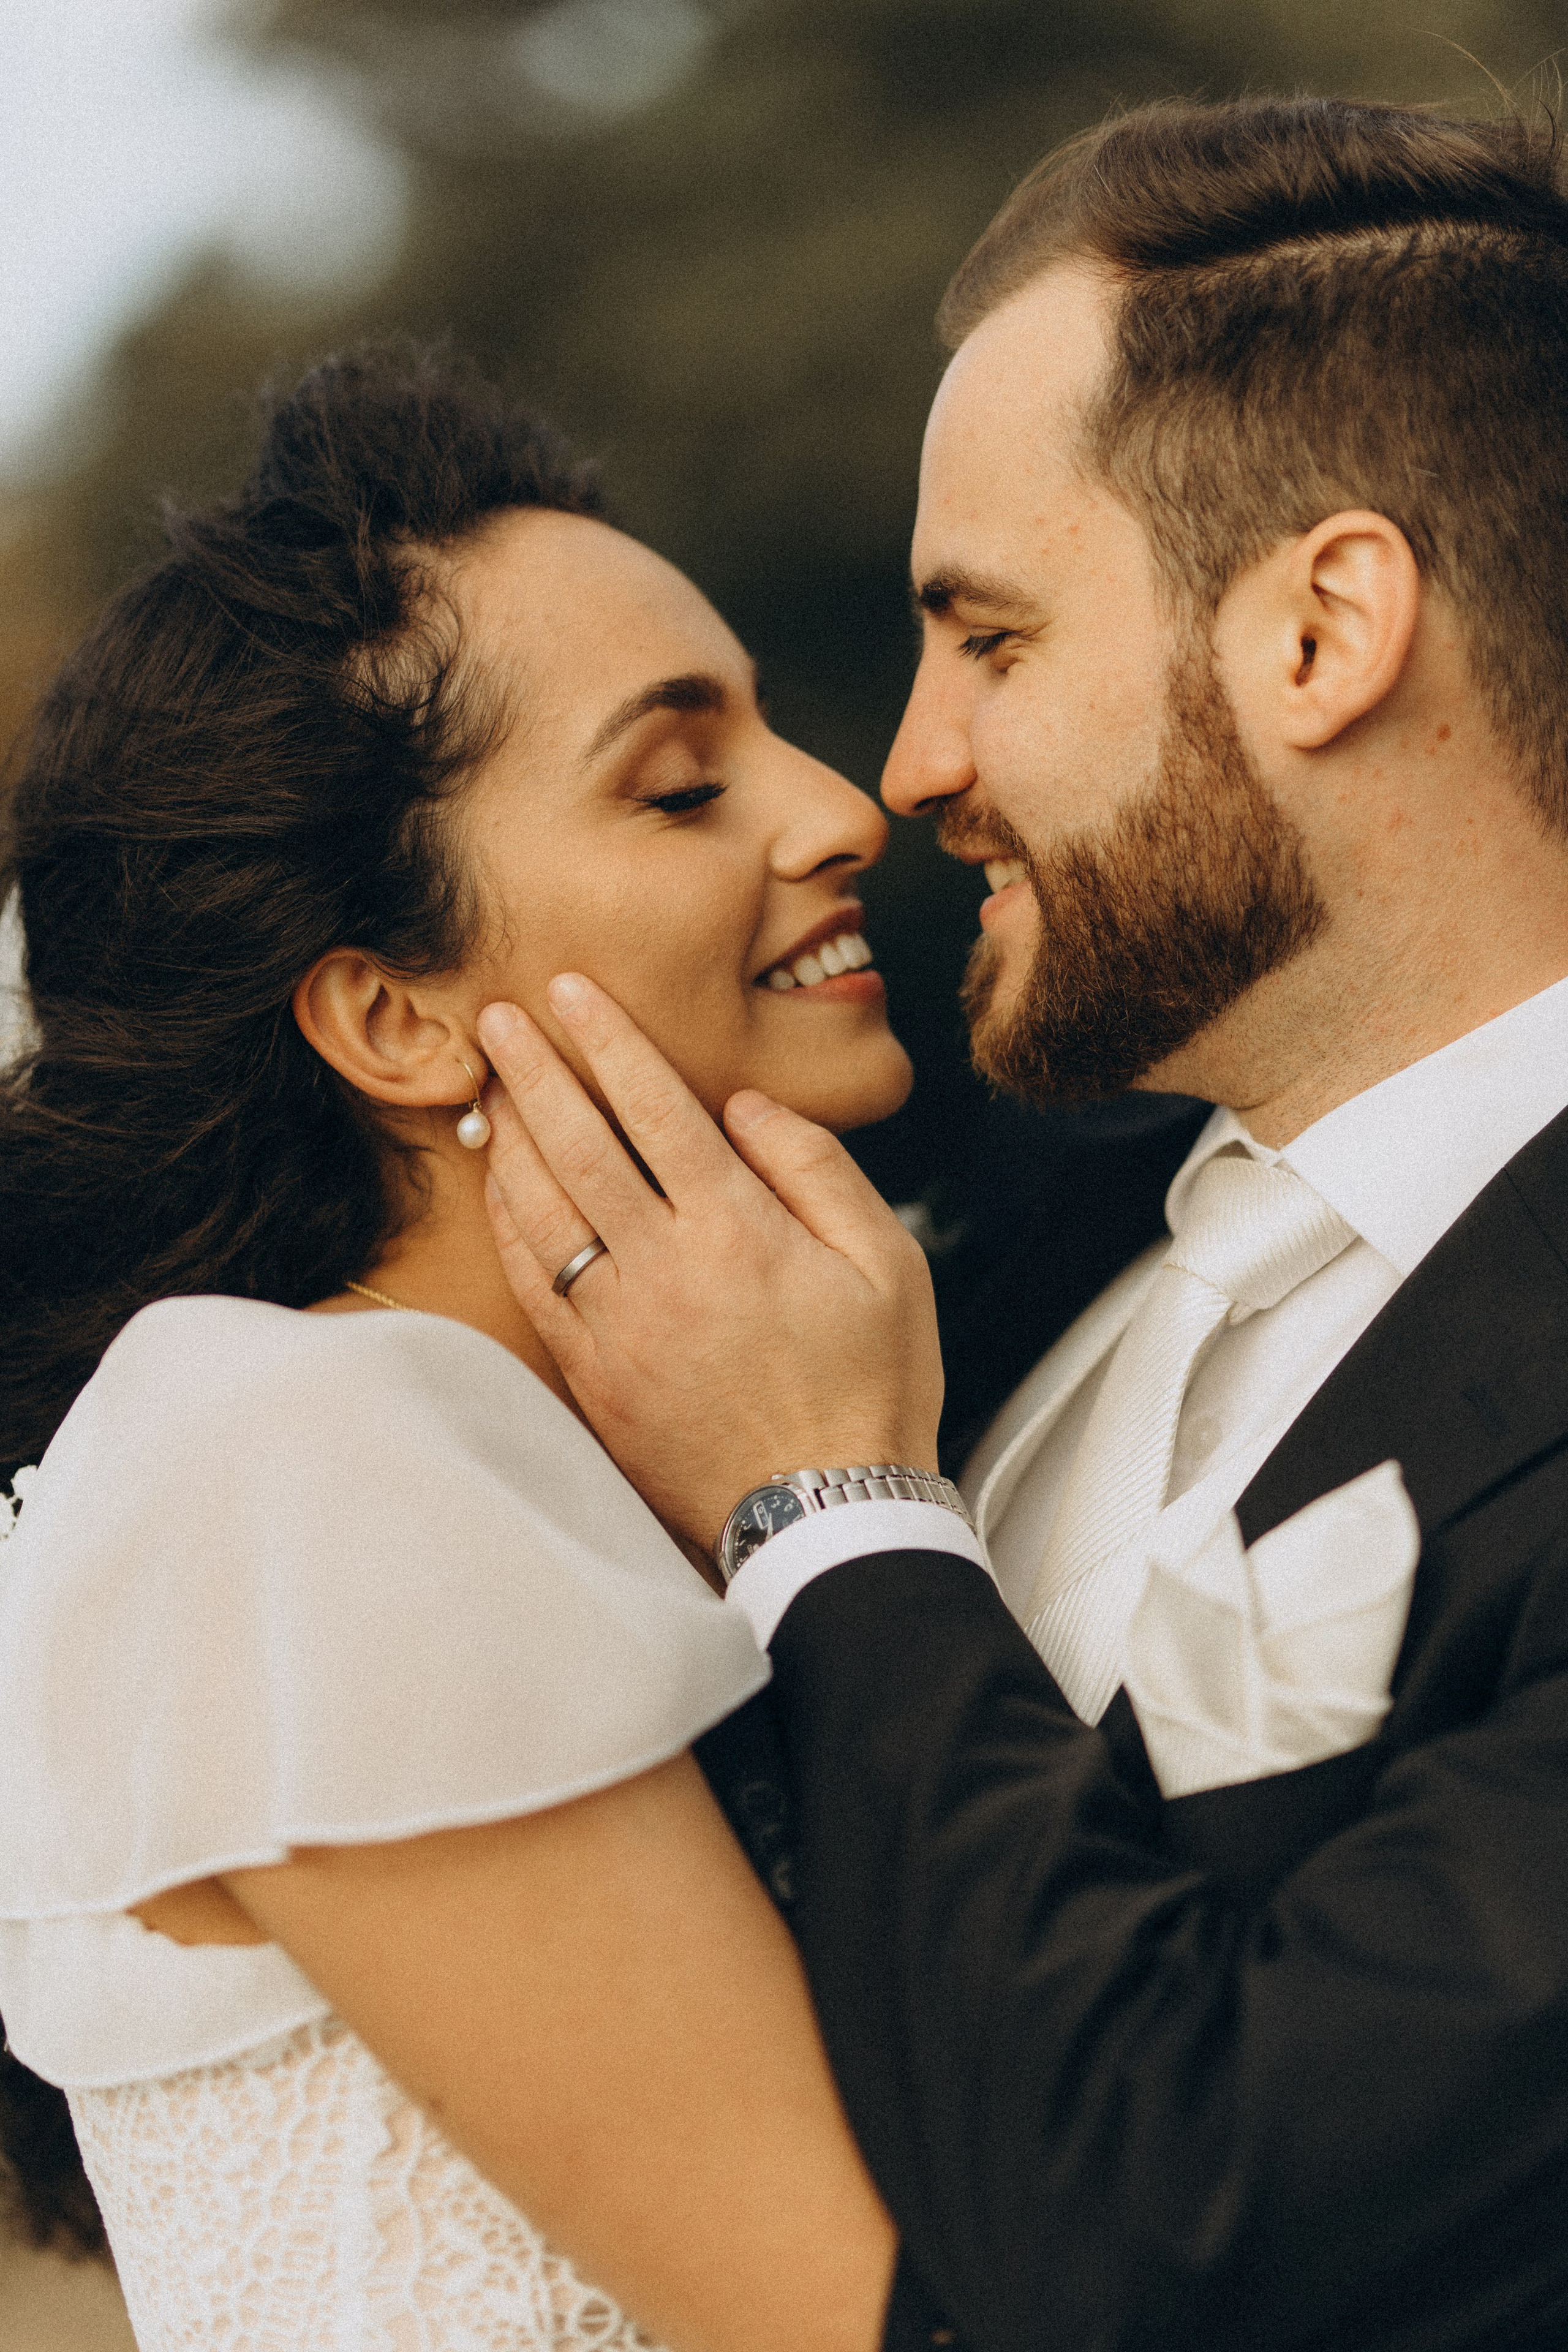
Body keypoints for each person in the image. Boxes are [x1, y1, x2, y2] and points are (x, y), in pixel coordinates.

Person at [473, 97, 1568, 2352]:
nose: (912, 767)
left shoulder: (836, 1406)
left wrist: (840, 1521)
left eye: (986, 634)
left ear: (1326, 630)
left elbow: (1205, 2235)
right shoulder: (984, 1244)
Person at [0, 341, 918, 2351]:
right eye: (681, 783)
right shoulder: (295, 1456)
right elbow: (887, 2316)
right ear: (393, 1022)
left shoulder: (584, 1458)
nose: (845, 809)